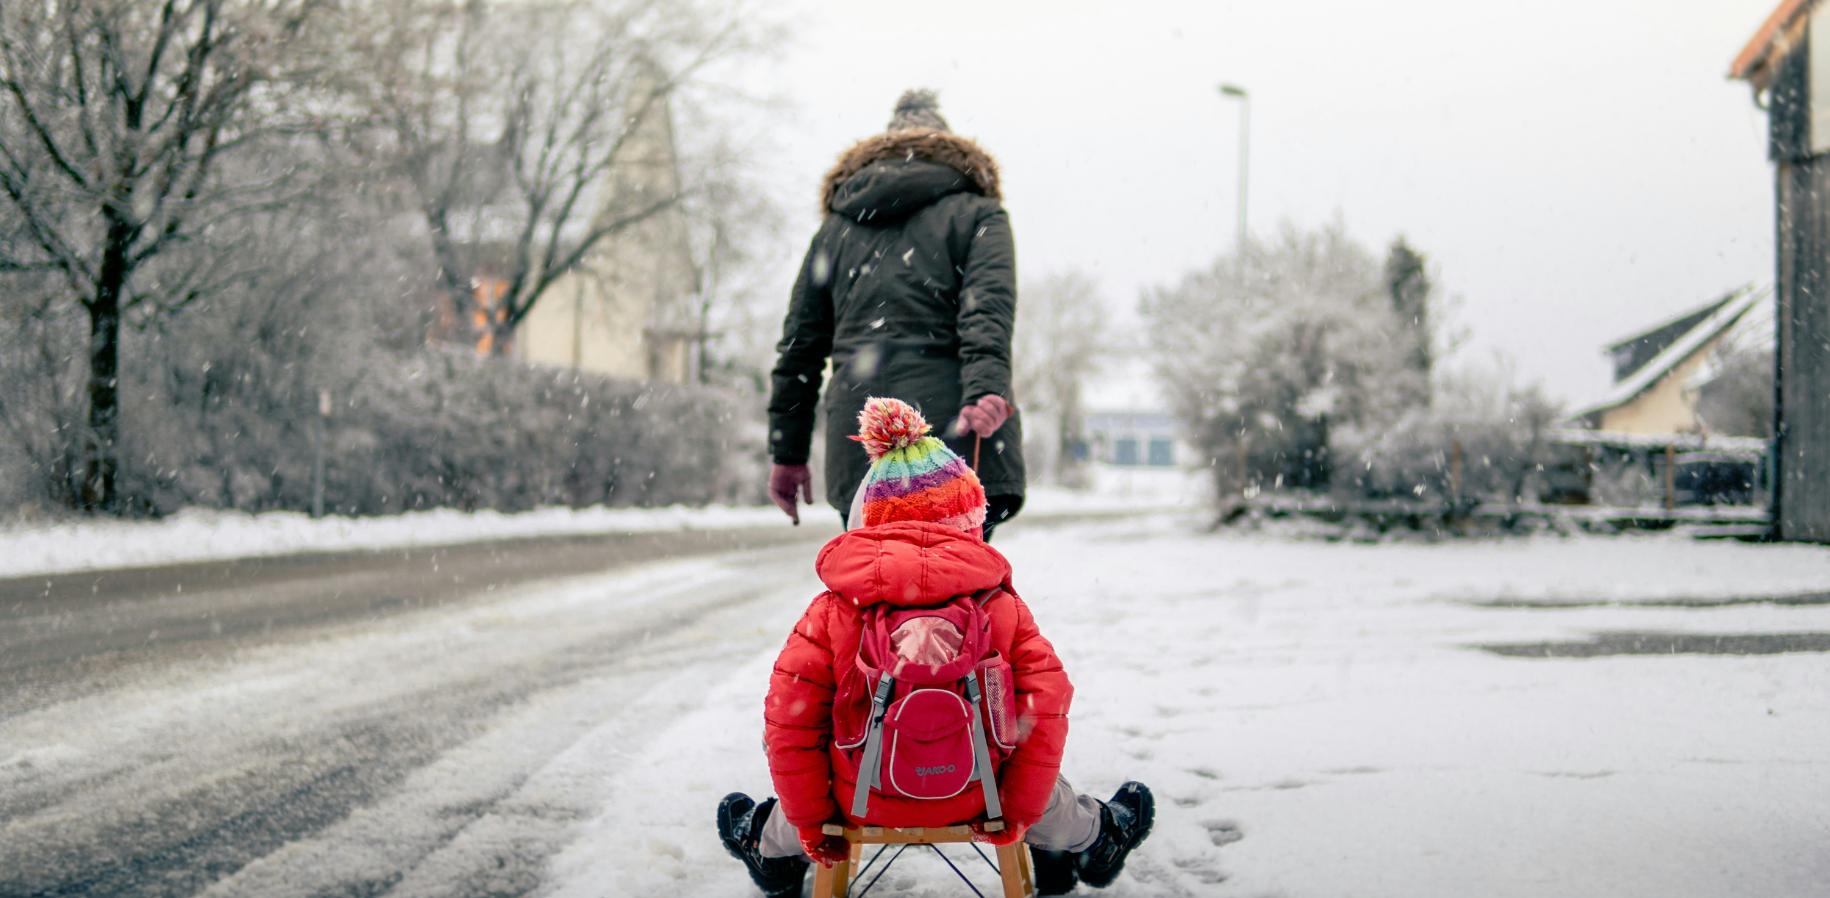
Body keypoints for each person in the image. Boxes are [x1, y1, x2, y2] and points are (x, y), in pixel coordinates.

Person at [719, 398, 1152, 897]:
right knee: (1044, 787)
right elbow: (1045, 706)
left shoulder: (834, 610)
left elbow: (789, 723)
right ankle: (1098, 836)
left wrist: (814, 825)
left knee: (814, 769)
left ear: (870, 520)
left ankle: (768, 845)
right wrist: (1017, 812)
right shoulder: (1000, 607)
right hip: (979, 798)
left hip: (861, 800)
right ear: (971, 521)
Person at [767, 89, 1026, 540]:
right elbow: (987, 313)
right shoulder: (979, 215)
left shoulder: (836, 229)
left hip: (862, 436)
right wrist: (985, 389)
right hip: (952, 433)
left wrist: (787, 452)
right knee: (958, 592)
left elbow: (800, 348)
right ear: (948, 148)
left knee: (871, 589)